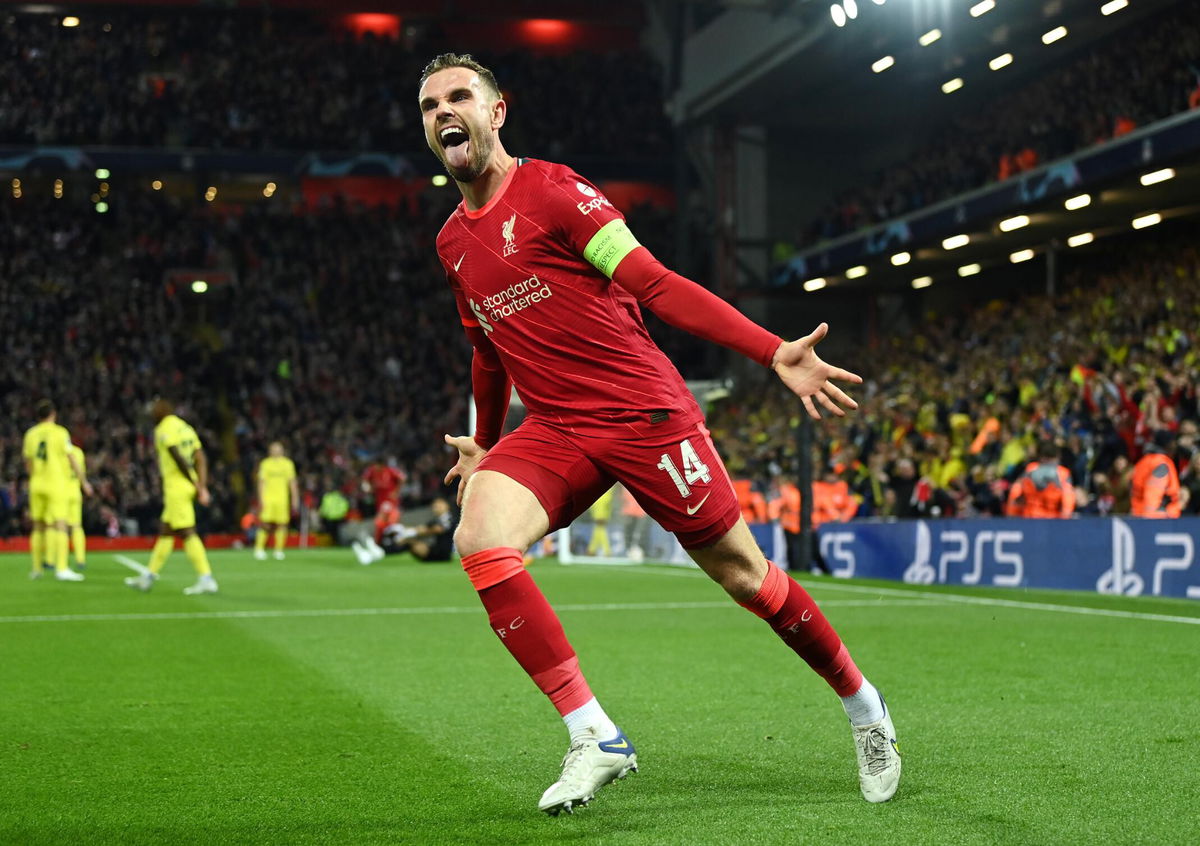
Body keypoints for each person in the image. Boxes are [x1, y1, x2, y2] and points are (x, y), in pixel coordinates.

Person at [419, 53, 901, 815]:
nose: (444, 112)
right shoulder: (452, 243)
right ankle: (595, 735)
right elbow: (486, 348)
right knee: (479, 536)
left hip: (643, 413)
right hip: (558, 428)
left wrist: (771, 350)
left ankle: (864, 705)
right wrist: (484, 443)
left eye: (459, 97)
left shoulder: (557, 193)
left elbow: (653, 283)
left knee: (746, 578)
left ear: (496, 111)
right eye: (429, 105)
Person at [124, 399, 218, 594]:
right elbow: (200, 457)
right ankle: (148, 577)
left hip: (177, 487)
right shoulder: (185, 427)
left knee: (187, 532)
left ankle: (206, 577)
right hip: (187, 484)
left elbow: (177, 456)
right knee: (166, 531)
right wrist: (201, 483)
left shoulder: (163, 430)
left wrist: (198, 486)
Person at [22, 400, 91, 581]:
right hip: (55, 484)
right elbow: (71, 458)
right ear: (53, 414)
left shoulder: (30, 434)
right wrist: (84, 481)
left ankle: (37, 569)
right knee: (61, 525)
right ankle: (62, 569)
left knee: (38, 527)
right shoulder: (60, 433)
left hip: (37, 484)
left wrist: (33, 478)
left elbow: (28, 463)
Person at [353, 497, 458, 564]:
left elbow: (437, 530)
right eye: (434, 506)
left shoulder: (449, 518)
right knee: (407, 542)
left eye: (438, 505)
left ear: (446, 506)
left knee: (408, 543)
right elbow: (423, 528)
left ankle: (378, 552)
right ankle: (374, 554)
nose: (435, 508)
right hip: (435, 550)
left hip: (443, 554)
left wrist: (412, 532)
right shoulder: (436, 520)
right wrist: (403, 530)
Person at [1005, 440, 1076, 518]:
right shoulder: (1063, 473)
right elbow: (1068, 497)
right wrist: (1066, 518)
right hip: (1053, 522)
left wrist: (1012, 517)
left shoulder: (1030, 469)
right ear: (1057, 456)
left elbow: (1016, 491)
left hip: (1029, 519)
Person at [255, 441, 298, 560]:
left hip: (282, 499)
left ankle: (278, 550)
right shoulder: (266, 464)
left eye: (278, 449)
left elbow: (292, 482)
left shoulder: (288, 464)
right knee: (265, 524)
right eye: (274, 449)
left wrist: (295, 498)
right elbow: (261, 482)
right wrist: (261, 498)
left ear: (282, 451)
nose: (276, 451)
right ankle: (259, 549)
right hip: (268, 498)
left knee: (282, 524)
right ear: (270, 451)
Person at [1130, 432, 1182, 518]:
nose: (1175, 446)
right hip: (1160, 518)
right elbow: (1154, 491)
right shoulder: (1161, 464)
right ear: (1167, 444)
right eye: (1173, 443)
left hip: (1138, 513)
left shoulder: (1143, 461)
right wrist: (1152, 519)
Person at [65, 440, 89, 569]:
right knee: (77, 526)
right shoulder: (79, 452)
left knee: (59, 527)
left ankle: (54, 561)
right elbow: (81, 472)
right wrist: (84, 485)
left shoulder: (59, 451)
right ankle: (80, 559)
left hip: (60, 492)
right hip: (75, 491)